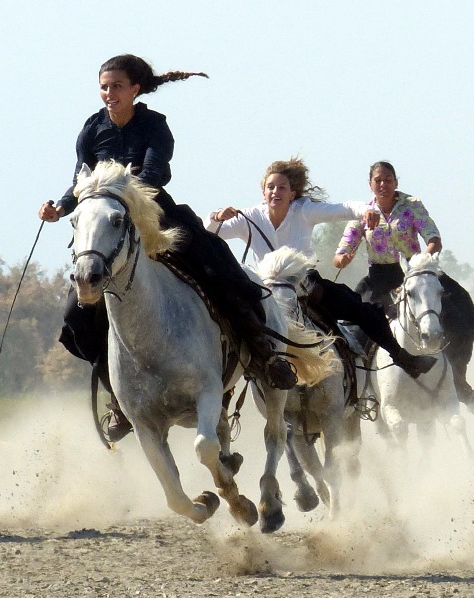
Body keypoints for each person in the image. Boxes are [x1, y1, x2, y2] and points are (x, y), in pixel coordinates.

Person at [39, 55, 297, 441]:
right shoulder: (92, 129)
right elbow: (81, 180)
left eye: (117, 86)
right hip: (109, 235)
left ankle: (262, 353)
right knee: (76, 317)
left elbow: (154, 174)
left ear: (135, 89)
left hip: (159, 217)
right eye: (104, 87)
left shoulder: (155, 125)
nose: (110, 94)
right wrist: (60, 206)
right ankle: (121, 399)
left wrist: (117, 194)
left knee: (223, 271)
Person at [205, 158, 436, 379]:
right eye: (271, 187)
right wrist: (216, 217)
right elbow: (210, 231)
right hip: (265, 290)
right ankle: (223, 390)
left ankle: (404, 359)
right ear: (263, 193)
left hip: (305, 283)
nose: (276, 192)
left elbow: (342, 208)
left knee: (364, 310)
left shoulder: (304, 210)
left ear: (292, 194)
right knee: (227, 319)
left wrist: (366, 210)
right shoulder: (249, 217)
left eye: (282, 187)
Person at [332, 160, 474, 414]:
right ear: (370, 184)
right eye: (378, 180)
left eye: (388, 179)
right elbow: (342, 252)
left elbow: (433, 239)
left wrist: (422, 261)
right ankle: (361, 392)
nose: (383, 184)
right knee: (352, 329)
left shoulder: (411, 206)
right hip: (380, 279)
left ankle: (458, 382)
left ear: (396, 182)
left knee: (460, 313)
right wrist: (344, 258)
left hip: (417, 272)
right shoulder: (364, 213)